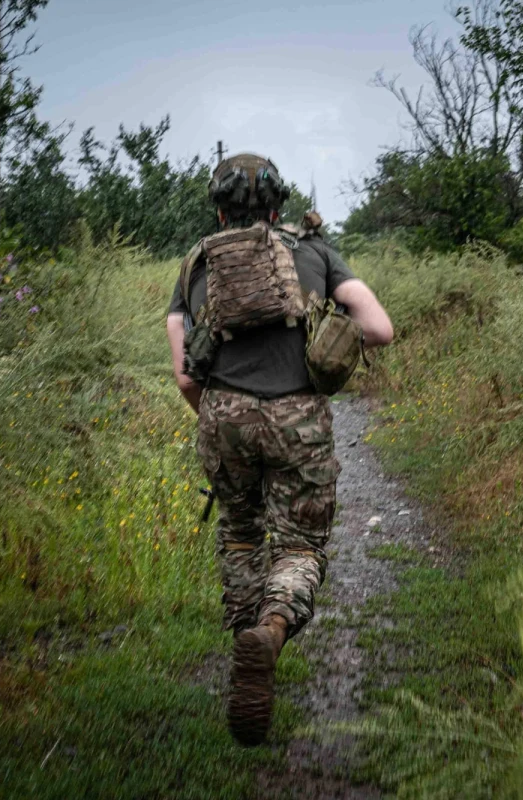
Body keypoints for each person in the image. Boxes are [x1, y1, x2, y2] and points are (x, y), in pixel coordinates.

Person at [165, 153, 393, 746]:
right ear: (278, 205)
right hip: (300, 417)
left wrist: (221, 420)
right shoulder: (314, 252)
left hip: (223, 416)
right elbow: (379, 328)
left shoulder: (195, 263)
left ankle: (245, 635)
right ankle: (269, 630)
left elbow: (186, 376)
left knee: (241, 532)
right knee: (297, 544)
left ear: (219, 209)